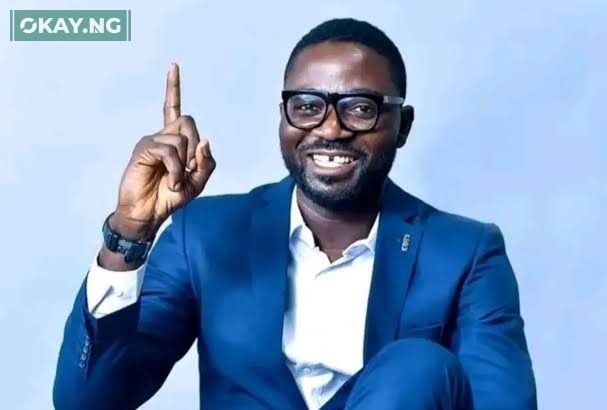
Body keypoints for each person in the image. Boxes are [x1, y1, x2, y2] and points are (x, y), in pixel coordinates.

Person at [53, 18, 536, 410]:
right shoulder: (204, 234)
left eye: (360, 108)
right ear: (283, 118)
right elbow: (88, 403)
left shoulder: (465, 252)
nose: (330, 128)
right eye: (306, 106)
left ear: (402, 126)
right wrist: (129, 233)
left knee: (418, 367)